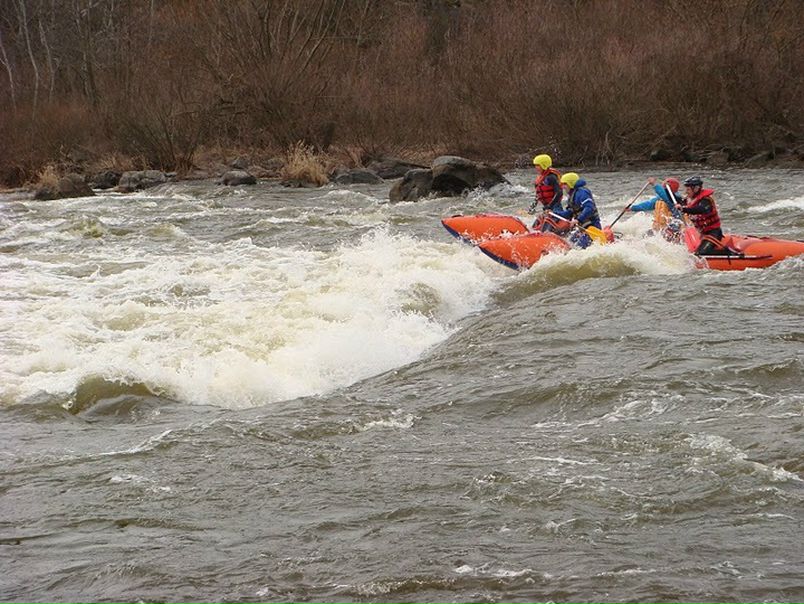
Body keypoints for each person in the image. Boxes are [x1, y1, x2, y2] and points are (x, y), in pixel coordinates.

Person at [677, 176, 727, 255]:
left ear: (696, 189)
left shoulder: (706, 200)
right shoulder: (688, 200)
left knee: (701, 253)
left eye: (688, 189)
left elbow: (700, 209)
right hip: (702, 233)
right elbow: (675, 199)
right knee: (693, 252)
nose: (686, 192)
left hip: (713, 233)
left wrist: (683, 209)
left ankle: (728, 253)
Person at [554, 172, 601, 248]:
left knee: (578, 247)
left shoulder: (582, 193)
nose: (563, 187)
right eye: (562, 184)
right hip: (583, 228)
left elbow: (589, 208)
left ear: (571, 184)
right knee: (570, 242)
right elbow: (569, 213)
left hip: (593, 227)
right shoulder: (572, 195)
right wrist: (554, 213)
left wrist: (578, 220)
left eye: (565, 184)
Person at [527, 154, 567, 233]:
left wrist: (550, 205)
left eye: (538, 165)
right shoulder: (540, 178)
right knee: (538, 221)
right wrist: (533, 207)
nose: (536, 167)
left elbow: (559, 192)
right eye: (535, 165)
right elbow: (538, 194)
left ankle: (548, 234)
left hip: (555, 206)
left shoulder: (551, 177)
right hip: (547, 207)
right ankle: (531, 233)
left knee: (549, 222)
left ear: (544, 165)